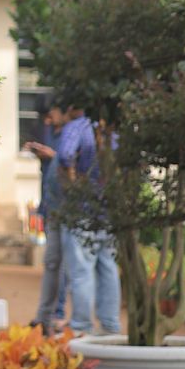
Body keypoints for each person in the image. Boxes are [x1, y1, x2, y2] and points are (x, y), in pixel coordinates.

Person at [52, 105, 122, 335]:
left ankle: (82, 325)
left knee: (82, 270)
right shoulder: (114, 129)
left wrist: (74, 185)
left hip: (82, 210)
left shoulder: (78, 127)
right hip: (110, 211)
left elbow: (65, 155)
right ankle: (110, 325)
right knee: (108, 266)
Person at [24, 102, 71, 330]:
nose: (49, 119)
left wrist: (52, 155)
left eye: (53, 113)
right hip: (50, 205)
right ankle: (45, 315)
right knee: (52, 262)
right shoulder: (51, 132)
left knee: (67, 265)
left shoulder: (74, 133)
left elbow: (71, 164)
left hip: (67, 208)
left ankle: (59, 314)